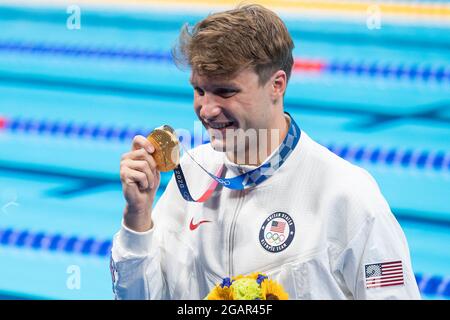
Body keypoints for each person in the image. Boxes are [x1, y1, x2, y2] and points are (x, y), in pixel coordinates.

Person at [110, 4, 421, 300]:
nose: (205, 110)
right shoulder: (191, 176)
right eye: (199, 90)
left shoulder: (346, 196)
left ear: (277, 85)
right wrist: (137, 217)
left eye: (226, 91)